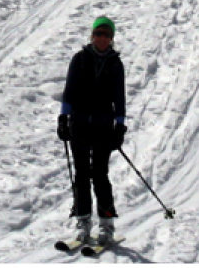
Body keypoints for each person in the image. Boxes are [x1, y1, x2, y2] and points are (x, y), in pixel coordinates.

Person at [58, 15, 126, 247]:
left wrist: (120, 126)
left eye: (106, 34)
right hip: (78, 125)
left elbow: (119, 98)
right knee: (81, 176)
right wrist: (63, 118)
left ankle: (106, 225)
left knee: (99, 175)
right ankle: (83, 223)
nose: (102, 38)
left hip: (102, 127)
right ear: (92, 35)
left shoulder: (115, 64)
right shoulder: (79, 59)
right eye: (98, 33)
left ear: (111, 38)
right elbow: (69, 91)